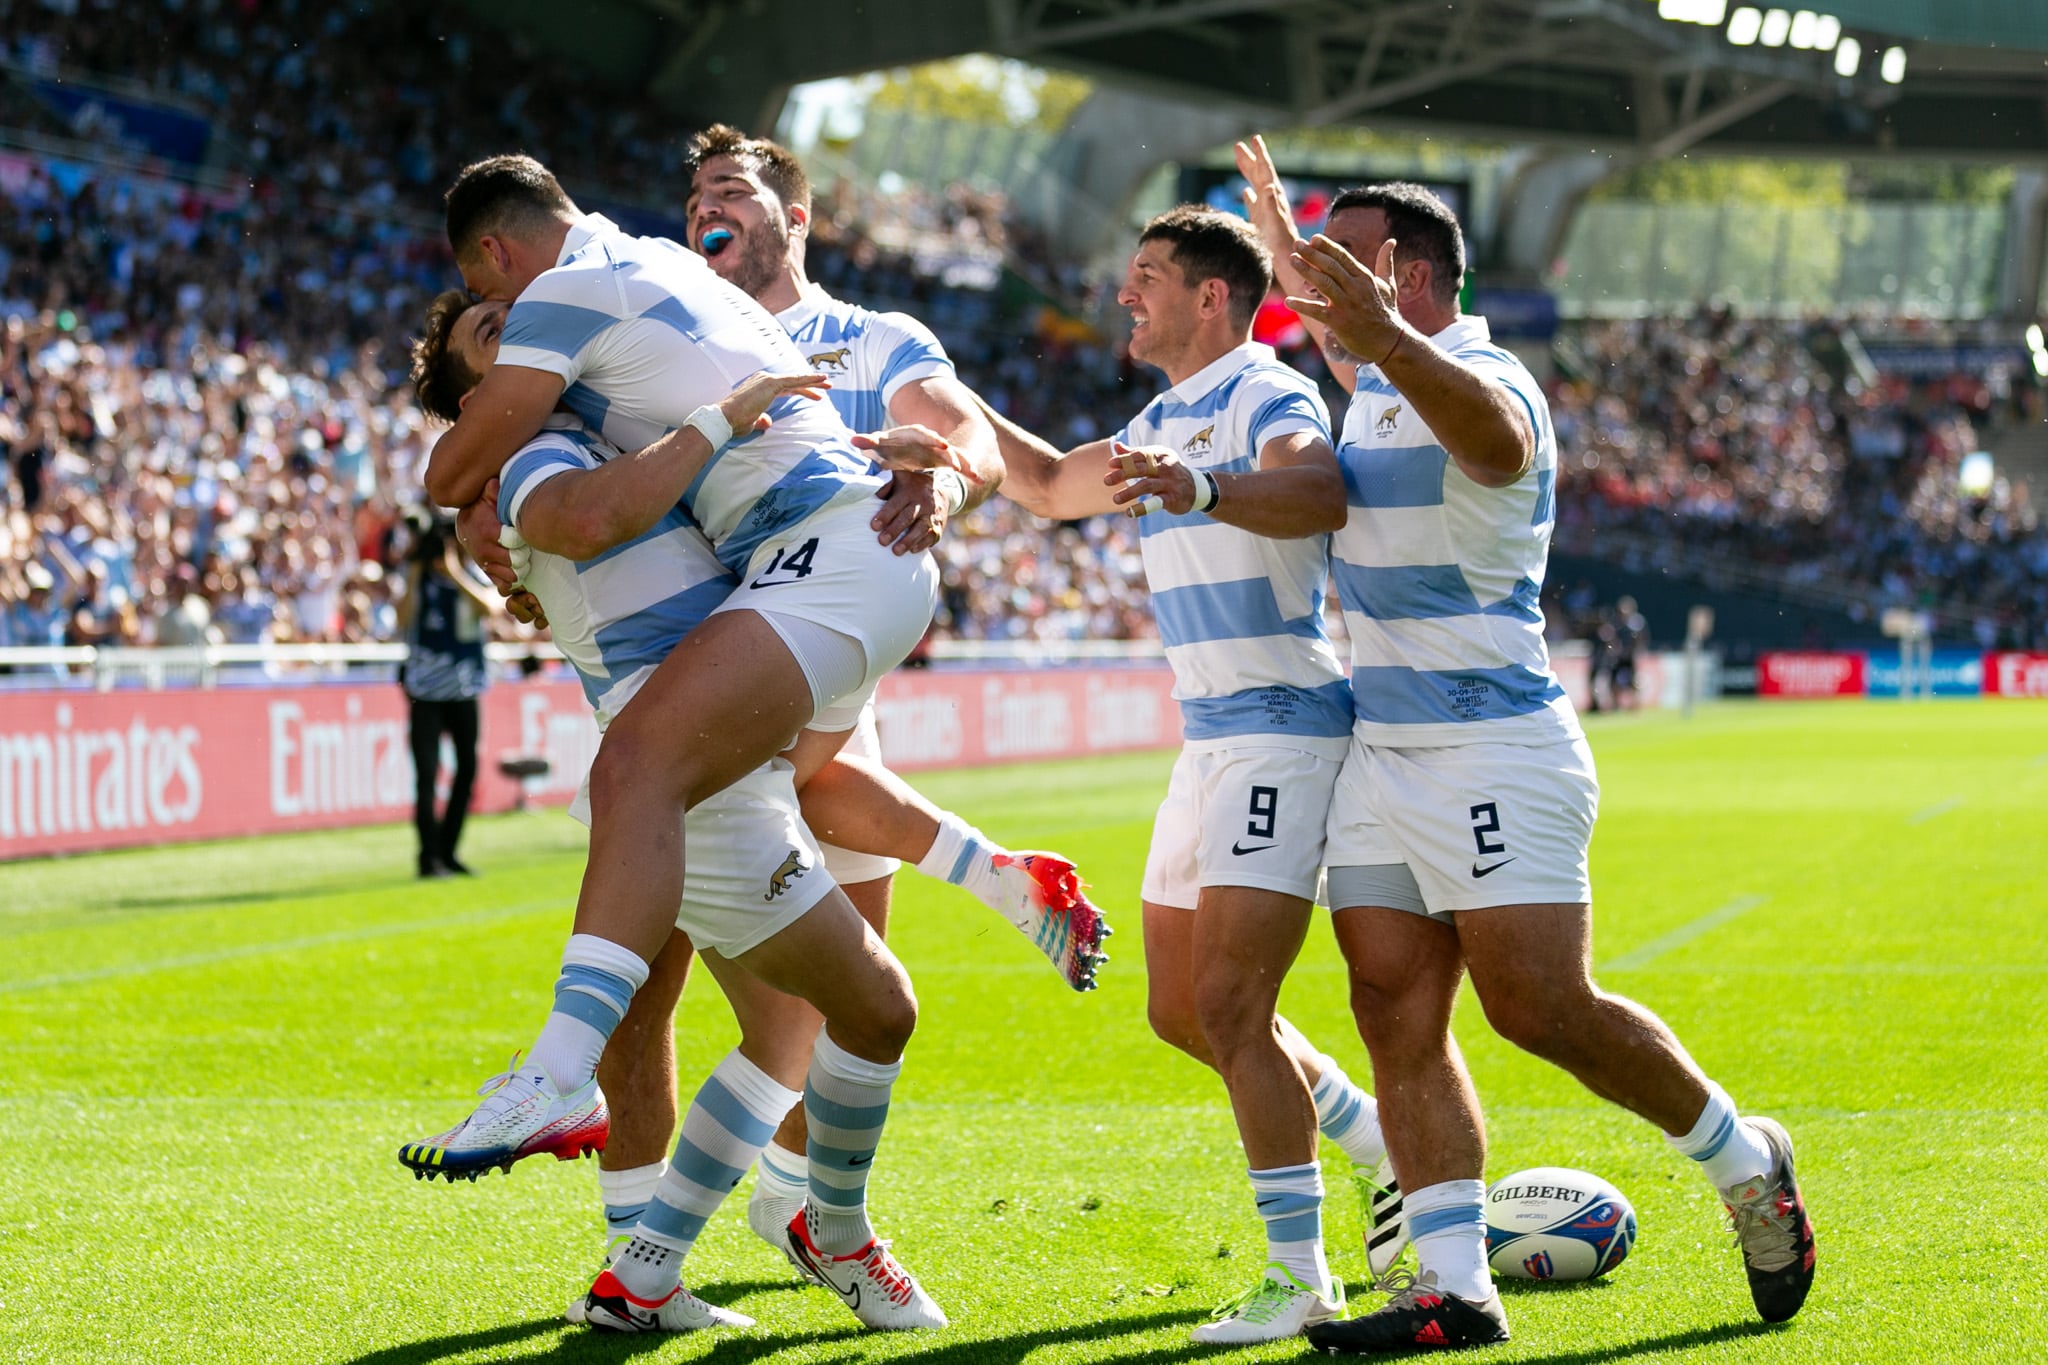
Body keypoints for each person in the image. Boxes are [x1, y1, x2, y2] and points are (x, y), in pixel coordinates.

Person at [1233, 135, 1816, 1352]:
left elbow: (1491, 447)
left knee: (1538, 1007)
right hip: (1380, 753)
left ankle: (1740, 1158)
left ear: (1410, 272)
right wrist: (1288, 256)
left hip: (1495, 746)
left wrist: (1378, 334)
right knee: (1394, 1012)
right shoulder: (1372, 385)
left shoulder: (1487, 374)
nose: (1314, 281)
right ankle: (1453, 1288)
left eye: (1340, 257)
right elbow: (1349, 352)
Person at [408, 154, 948, 1215]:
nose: (513, 329)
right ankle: (664, 1252)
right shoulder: (536, 453)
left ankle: (597, 1125)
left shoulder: (585, 367)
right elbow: (479, 489)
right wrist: (725, 420)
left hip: (789, 605)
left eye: (494, 308)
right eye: (493, 337)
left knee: (669, 852)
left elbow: (493, 494)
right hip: (727, 705)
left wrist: (901, 460)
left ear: (495, 255)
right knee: (811, 1009)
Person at [969, 205, 1405, 1344]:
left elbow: (1318, 493)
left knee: (1230, 1002)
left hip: (1281, 728)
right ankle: (1378, 1153)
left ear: (1212, 296)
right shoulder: (1163, 415)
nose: (1127, 296)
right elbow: (1053, 485)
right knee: (1178, 1010)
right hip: (1208, 737)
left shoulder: (1266, 391)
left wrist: (1196, 488)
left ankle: (1299, 1276)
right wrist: (933, 406)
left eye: (1148, 278)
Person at [678, 122, 1110, 1265]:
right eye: (695, 195)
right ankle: (648, 1236)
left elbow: (958, 426)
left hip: (818, 661)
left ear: (798, 218)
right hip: (698, 671)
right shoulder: (673, 335)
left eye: (730, 189)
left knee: (849, 1005)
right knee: (703, 1002)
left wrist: (947, 482)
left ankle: (767, 1209)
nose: (704, 207)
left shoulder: (866, 335)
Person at [395, 507, 492, 877]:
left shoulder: (469, 574)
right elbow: (402, 620)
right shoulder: (418, 580)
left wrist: (453, 572)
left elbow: (489, 609)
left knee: (467, 770)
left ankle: (449, 850)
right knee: (427, 773)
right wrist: (415, 576)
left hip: (465, 688)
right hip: (426, 691)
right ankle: (428, 856)